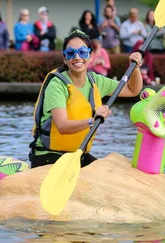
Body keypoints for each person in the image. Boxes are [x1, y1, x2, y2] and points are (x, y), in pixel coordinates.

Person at [29, 29, 143, 168]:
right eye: (71, 53)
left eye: (82, 52)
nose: (77, 57)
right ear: (65, 58)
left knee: (108, 173)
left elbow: (132, 90)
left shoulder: (96, 81)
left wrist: (135, 67)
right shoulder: (57, 85)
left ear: (91, 56)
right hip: (48, 155)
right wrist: (92, 120)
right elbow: (62, 126)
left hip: (77, 154)